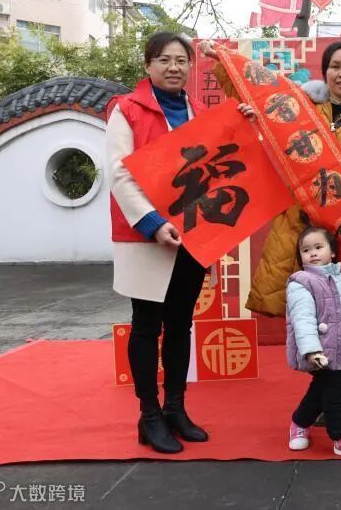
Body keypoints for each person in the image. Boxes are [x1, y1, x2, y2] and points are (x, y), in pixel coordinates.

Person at [204, 40, 341, 432]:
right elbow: (253, 92)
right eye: (335, 66)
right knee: (317, 319)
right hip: (305, 235)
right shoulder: (300, 108)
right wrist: (221, 63)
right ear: (325, 71)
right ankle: (328, 397)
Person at [106, 32, 252, 453]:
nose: (174, 67)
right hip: (145, 236)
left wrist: (244, 123)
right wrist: (152, 223)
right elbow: (119, 172)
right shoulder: (126, 109)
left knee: (180, 323)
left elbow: (223, 162)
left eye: (181, 60)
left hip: (192, 234)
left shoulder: (201, 112)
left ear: (191, 66)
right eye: (164, 60)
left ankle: (175, 408)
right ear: (147, 66)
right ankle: (149, 415)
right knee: (146, 325)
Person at [285, 226, 341, 457]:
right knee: (337, 392)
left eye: (318, 247)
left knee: (320, 389)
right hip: (324, 350)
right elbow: (302, 320)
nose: (313, 253)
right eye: (306, 250)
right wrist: (312, 350)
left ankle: (299, 422)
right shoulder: (301, 282)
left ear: (332, 251)